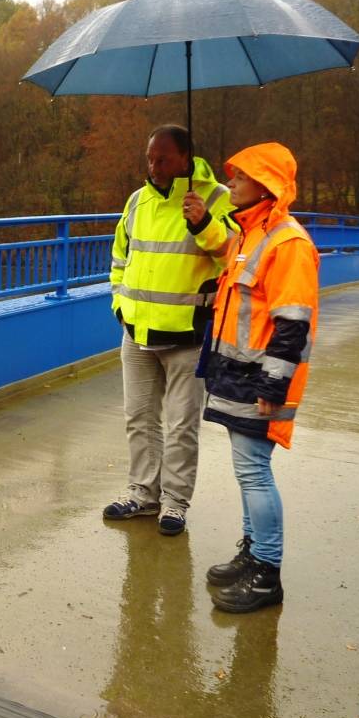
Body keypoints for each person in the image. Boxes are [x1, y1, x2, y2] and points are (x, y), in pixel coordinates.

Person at [193, 142, 319, 613]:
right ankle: (253, 554)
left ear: (264, 186)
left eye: (239, 178)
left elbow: (292, 324)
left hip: (261, 380)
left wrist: (273, 386)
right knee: (247, 472)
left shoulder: (288, 243)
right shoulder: (250, 234)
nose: (230, 185)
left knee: (253, 471)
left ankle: (268, 574)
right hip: (237, 374)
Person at [102, 125, 234, 536]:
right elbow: (121, 257)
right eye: (150, 158)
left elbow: (235, 254)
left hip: (186, 334)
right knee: (139, 417)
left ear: (185, 158)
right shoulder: (137, 201)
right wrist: (119, 304)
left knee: (181, 425)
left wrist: (205, 224)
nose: (153, 166)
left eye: (162, 159)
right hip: (137, 332)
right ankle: (143, 493)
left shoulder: (216, 199)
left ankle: (175, 502)